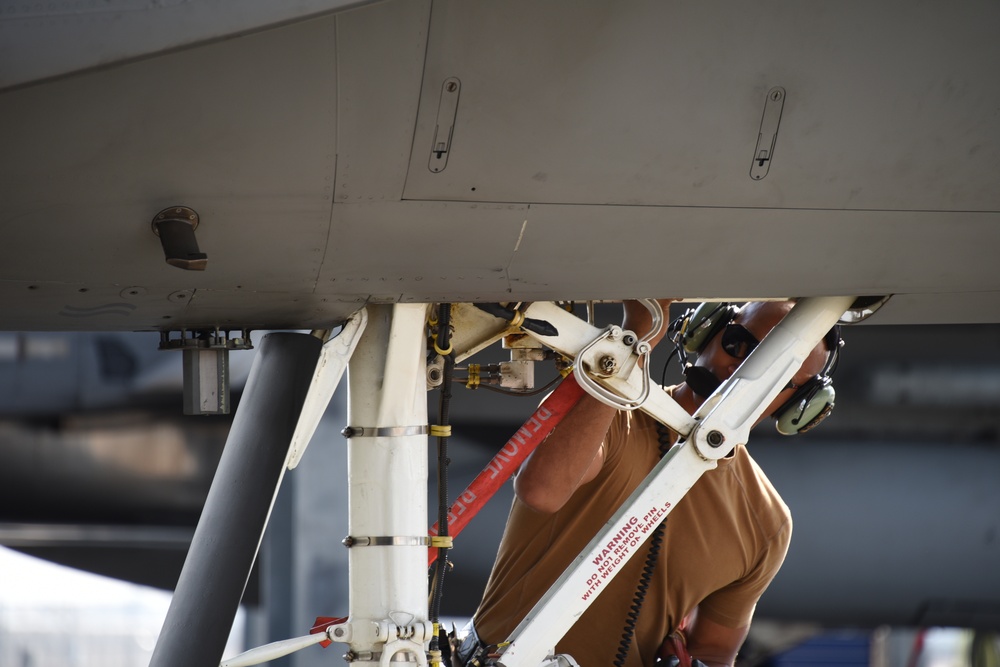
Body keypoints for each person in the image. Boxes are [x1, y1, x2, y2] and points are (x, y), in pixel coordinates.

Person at [456, 299, 838, 667]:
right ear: (705, 333)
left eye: (778, 375)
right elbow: (542, 491)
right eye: (739, 344)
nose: (743, 370)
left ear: (798, 404)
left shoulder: (766, 522)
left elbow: (716, 652)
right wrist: (636, 335)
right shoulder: (604, 413)